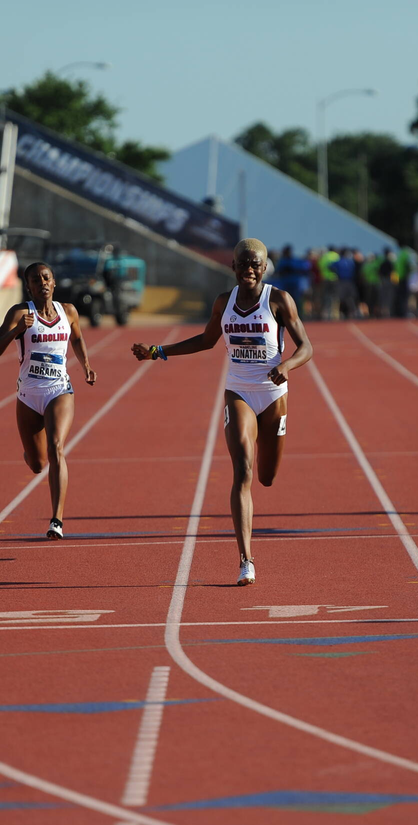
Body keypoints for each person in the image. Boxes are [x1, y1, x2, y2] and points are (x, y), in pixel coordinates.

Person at [132, 238, 313, 585]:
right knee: (242, 470)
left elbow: (306, 346)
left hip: (273, 395)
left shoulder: (278, 300)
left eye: (255, 264)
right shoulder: (223, 303)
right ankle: (246, 559)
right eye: (243, 264)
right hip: (239, 392)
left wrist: (288, 365)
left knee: (267, 476)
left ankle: (263, 480)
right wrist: (157, 351)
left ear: (264, 268)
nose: (249, 269)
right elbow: (205, 340)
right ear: (232, 267)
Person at [0, 261, 97, 540]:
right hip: (27, 395)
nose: (42, 283)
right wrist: (15, 331)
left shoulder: (68, 311)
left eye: (46, 278)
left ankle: (56, 520)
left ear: (54, 282)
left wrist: (85, 366)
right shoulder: (20, 313)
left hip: (59, 389)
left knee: (56, 447)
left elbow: (78, 339)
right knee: (37, 463)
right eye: (36, 280)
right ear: (29, 287)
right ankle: (30, 453)